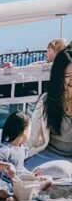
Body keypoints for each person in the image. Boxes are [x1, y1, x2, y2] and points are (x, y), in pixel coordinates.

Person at [0, 111, 51, 201]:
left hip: (19, 183)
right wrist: (8, 166)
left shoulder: (23, 149)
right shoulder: (5, 149)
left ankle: (28, 193)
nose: (30, 134)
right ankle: (7, 196)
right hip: (4, 183)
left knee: (48, 179)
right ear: (23, 131)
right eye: (29, 131)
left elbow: (20, 168)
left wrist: (32, 174)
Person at [26, 46, 72, 174]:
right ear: (59, 77)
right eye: (68, 76)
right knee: (56, 170)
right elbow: (31, 137)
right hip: (48, 156)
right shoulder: (47, 100)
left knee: (61, 170)